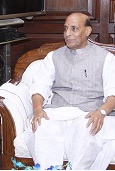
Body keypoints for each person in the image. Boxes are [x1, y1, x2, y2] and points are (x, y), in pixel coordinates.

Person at [28, 12, 115, 170]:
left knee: (87, 127)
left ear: (87, 31)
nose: (67, 34)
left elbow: (113, 94)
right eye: (66, 29)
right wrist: (38, 108)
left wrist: (101, 112)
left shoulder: (106, 59)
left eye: (74, 29)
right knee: (43, 126)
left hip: (89, 113)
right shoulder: (53, 57)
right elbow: (39, 87)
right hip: (58, 111)